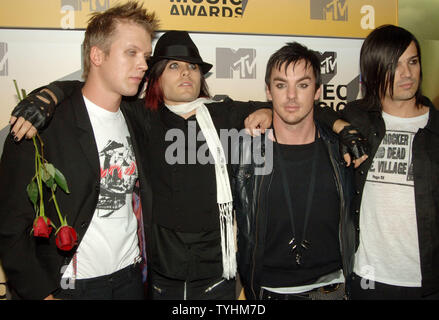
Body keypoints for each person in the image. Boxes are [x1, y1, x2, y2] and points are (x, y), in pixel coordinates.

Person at [6, 30, 273, 300]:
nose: (185, 73)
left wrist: (268, 112)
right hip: (160, 278)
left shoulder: (225, 114)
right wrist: (51, 93)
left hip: (217, 276)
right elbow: (91, 90)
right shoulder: (141, 116)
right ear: (155, 77)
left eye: (192, 67)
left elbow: (291, 109)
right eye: (174, 66)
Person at [0, 1, 158, 300]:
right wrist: (40, 292)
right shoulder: (42, 124)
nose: (144, 65)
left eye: (146, 56)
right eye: (131, 53)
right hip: (72, 287)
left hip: (131, 279)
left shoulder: (137, 118)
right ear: (97, 55)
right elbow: (10, 224)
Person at [321, 25, 439, 300]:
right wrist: (341, 127)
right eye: (394, 65)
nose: (407, 74)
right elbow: (313, 111)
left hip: (426, 281)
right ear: (374, 70)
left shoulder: (435, 129)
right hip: (368, 276)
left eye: (413, 61)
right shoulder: (358, 117)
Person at [233, 42, 356, 300]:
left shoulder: (340, 151)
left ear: (318, 91)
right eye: (281, 85)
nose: (291, 96)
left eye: (302, 85)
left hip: (333, 289)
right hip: (268, 291)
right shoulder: (246, 152)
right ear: (268, 91)